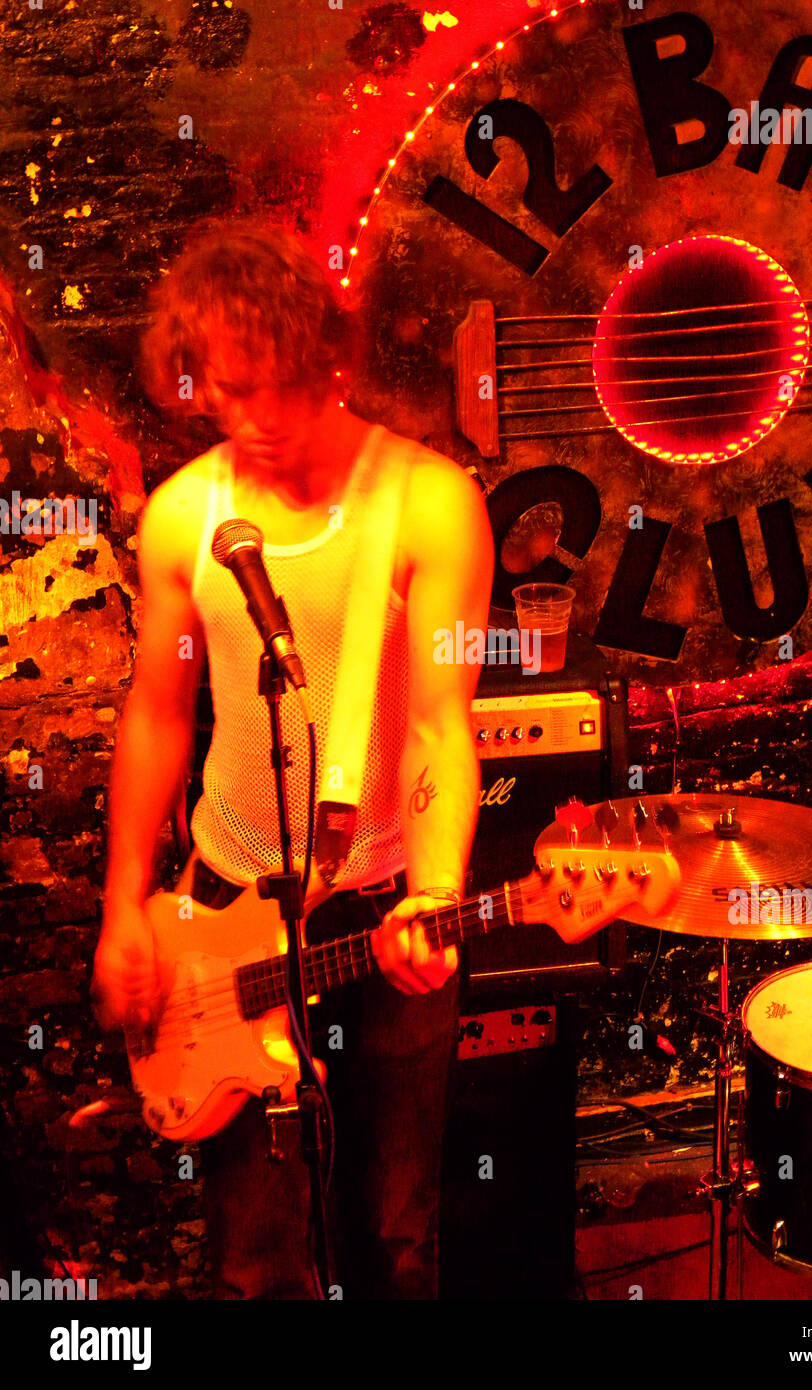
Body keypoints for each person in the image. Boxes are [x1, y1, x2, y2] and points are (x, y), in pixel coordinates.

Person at [91, 218, 494, 1298]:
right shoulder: (184, 520)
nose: (255, 419)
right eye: (226, 392)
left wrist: (441, 887)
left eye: (275, 386)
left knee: (396, 1239)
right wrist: (126, 901)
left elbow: (440, 725)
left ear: (329, 358)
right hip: (221, 912)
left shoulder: (430, 503)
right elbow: (158, 716)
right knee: (252, 1259)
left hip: (377, 908)